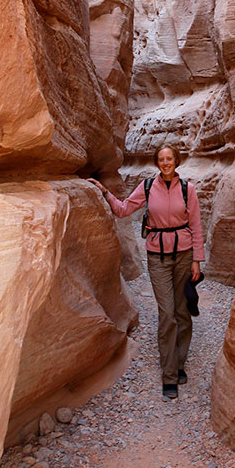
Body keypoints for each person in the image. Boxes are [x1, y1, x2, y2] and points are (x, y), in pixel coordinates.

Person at [88, 145, 204, 400]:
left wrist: (197, 260)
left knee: (183, 312)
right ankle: (169, 375)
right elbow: (123, 209)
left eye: (169, 158)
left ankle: (180, 361)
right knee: (167, 313)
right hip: (158, 258)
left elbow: (196, 225)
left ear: (176, 161)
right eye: (161, 159)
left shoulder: (188, 190)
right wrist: (106, 192)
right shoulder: (148, 187)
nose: (165, 163)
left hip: (184, 256)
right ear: (157, 162)